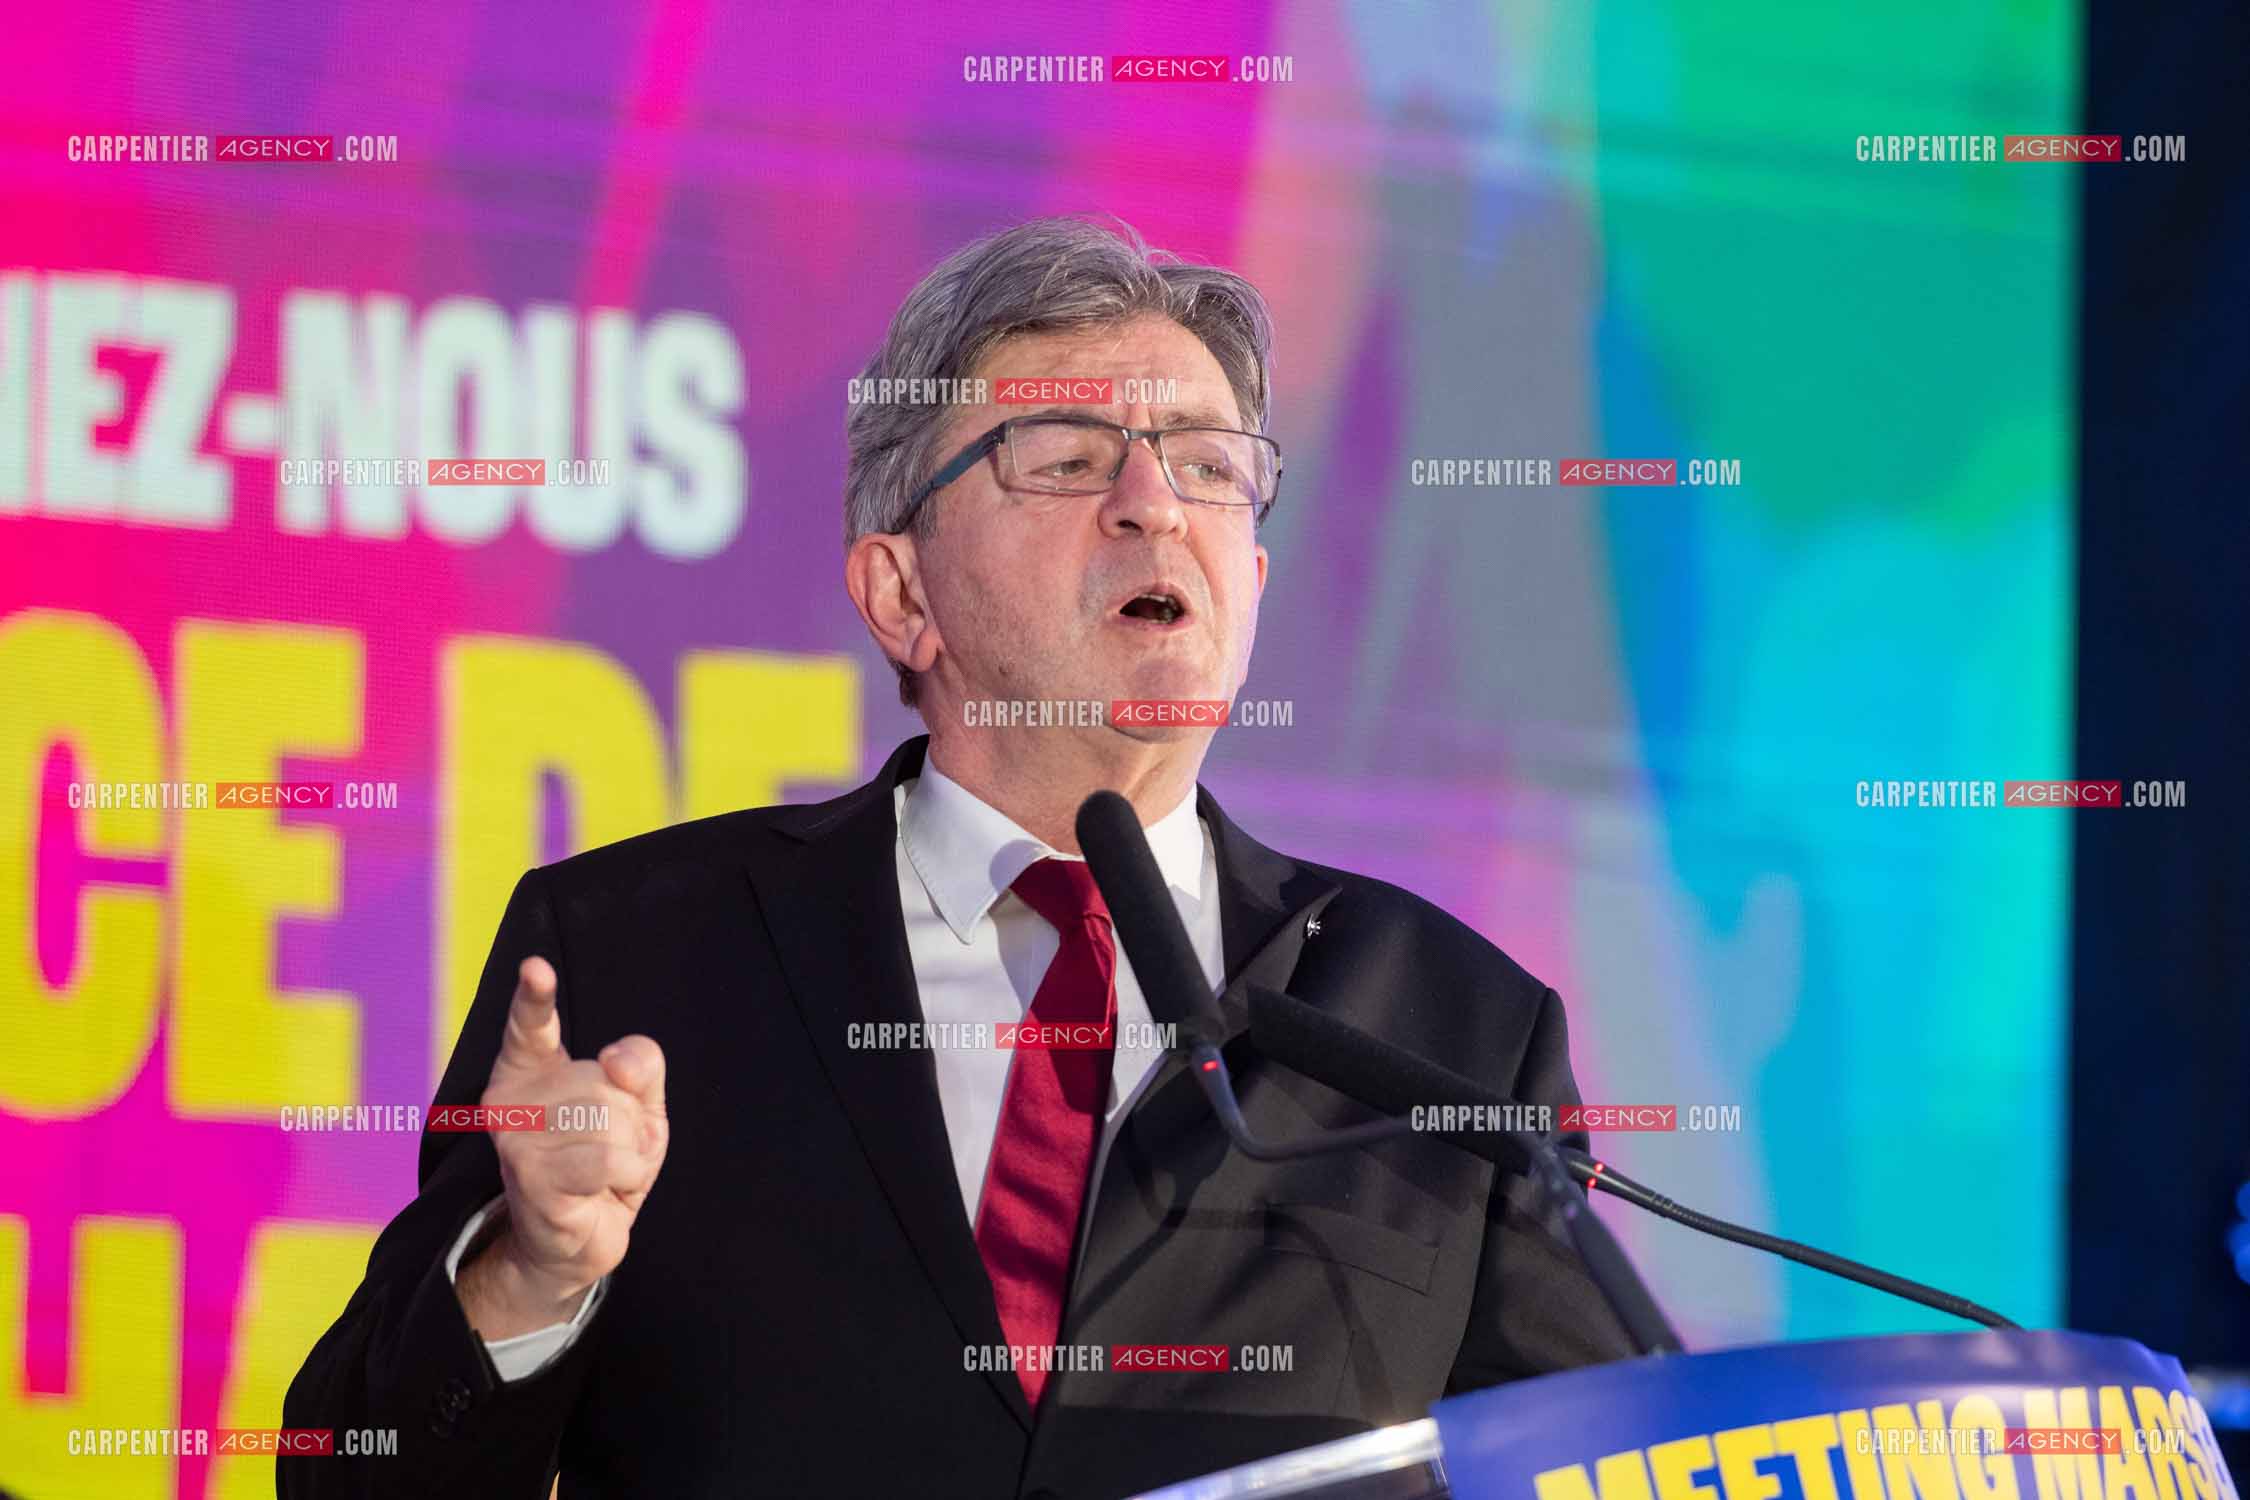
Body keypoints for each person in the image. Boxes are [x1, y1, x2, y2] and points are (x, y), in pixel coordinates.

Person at [281, 214, 1654, 1500]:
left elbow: (1608, 1453)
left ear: (1255, 577)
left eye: (1209, 466)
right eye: (1064, 457)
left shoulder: (1450, 1026)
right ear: (902, 593)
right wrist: (529, 1275)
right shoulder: (639, 947)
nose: (1151, 505)